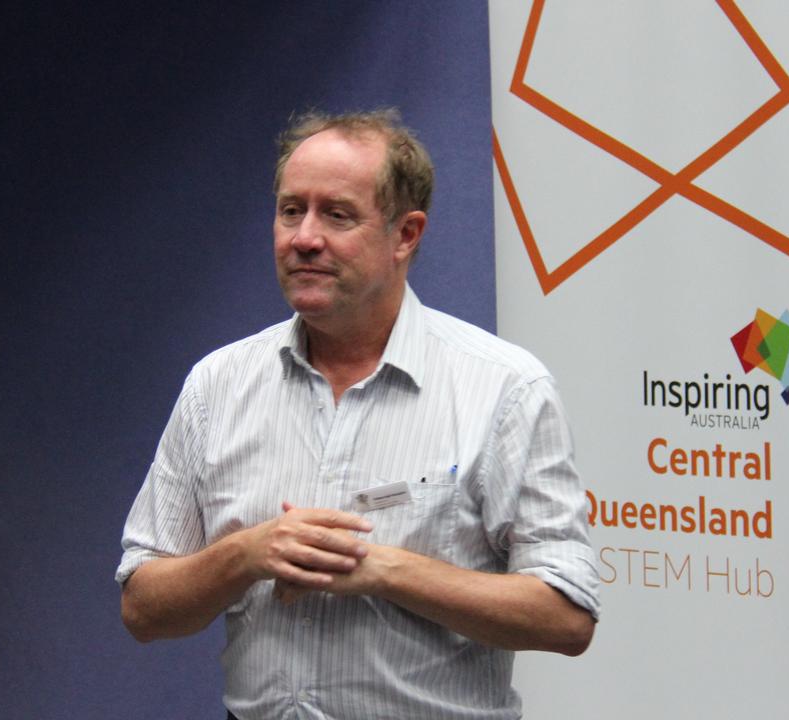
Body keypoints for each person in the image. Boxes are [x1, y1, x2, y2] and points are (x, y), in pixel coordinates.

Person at [117, 109, 600, 719]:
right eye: (291, 210)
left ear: (406, 235)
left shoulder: (505, 389)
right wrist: (246, 556)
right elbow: (142, 608)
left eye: (337, 214)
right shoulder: (219, 384)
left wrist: (383, 570)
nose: (304, 237)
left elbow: (567, 616)